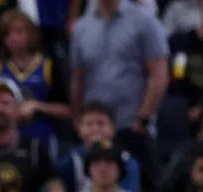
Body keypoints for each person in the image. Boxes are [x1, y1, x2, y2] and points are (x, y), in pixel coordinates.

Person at [69, 0, 169, 133]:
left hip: (132, 125)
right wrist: (78, 118)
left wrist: (143, 118)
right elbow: (78, 79)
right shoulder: (81, 28)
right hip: (94, 128)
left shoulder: (145, 21)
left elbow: (159, 75)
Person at [0, 9, 71, 143]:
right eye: (8, 34)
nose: (14, 38)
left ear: (30, 33)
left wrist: (38, 106)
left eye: (18, 32)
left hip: (43, 138)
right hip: (9, 140)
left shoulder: (48, 66)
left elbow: (67, 110)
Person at [56, 102, 143, 192]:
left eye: (101, 123)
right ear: (79, 129)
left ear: (113, 128)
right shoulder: (69, 160)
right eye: (89, 124)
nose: (95, 128)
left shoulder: (127, 161)